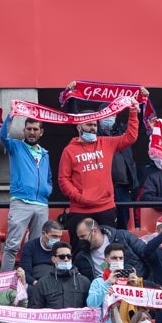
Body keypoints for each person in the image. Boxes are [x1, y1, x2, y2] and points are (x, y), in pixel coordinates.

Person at [58, 95, 140, 245]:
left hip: (106, 208)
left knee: (107, 251)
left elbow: (131, 137)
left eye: (95, 125)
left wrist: (133, 111)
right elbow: (63, 180)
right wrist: (80, 197)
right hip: (80, 210)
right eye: (89, 125)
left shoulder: (106, 143)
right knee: (80, 251)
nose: (93, 128)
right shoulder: (69, 150)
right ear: (78, 127)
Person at [0, 114, 51, 272]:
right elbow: (3, 136)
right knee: (12, 245)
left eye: (35, 129)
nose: (32, 132)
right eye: (29, 129)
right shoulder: (15, 146)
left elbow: (48, 176)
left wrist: (48, 189)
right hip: (21, 201)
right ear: (23, 130)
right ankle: (4, 283)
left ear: (41, 132)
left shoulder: (45, 153)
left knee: (37, 246)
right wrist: (10, 117)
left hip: (41, 204)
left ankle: (32, 280)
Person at [28, 241, 93, 323]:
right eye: (62, 257)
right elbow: (35, 312)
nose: (66, 259)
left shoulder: (84, 282)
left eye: (69, 256)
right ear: (54, 259)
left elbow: (91, 311)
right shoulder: (42, 283)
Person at [73, 218, 146, 280]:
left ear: (94, 231)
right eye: (79, 237)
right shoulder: (81, 256)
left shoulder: (122, 237)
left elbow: (146, 253)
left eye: (83, 236)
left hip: (134, 286)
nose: (81, 240)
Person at [20, 219, 65, 285]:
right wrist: (38, 284)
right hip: (36, 282)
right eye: (54, 236)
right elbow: (25, 273)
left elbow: (66, 269)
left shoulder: (62, 248)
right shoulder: (30, 247)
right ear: (43, 234)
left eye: (59, 237)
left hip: (57, 282)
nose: (57, 239)